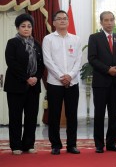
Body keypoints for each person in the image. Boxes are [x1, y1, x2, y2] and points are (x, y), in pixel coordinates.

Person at [42, 10, 82, 155]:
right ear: (53, 22)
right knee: (54, 115)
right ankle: (56, 145)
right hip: (54, 82)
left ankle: (72, 145)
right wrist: (61, 76)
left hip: (72, 82)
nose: (62, 21)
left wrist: (70, 76)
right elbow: (47, 60)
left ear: (68, 21)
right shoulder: (48, 39)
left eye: (65, 18)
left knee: (72, 115)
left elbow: (78, 60)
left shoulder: (76, 39)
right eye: (59, 19)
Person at [4, 13, 44, 155]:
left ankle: (29, 144)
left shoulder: (37, 44)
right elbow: (12, 63)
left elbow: (41, 65)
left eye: (29, 26)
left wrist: (36, 78)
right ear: (17, 27)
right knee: (15, 116)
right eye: (23, 26)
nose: (26, 29)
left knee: (31, 116)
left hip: (33, 86)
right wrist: (27, 77)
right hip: (16, 85)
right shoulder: (12, 43)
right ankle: (16, 146)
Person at [88, 11, 116, 153]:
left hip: (115, 82)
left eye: (111, 20)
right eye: (106, 20)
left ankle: (111, 143)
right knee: (99, 114)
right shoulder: (94, 38)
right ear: (101, 22)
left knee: (114, 114)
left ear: (114, 21)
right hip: (101, 82)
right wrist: (107, 69)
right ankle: (99, 144)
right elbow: (92, 58)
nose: (109, 23)